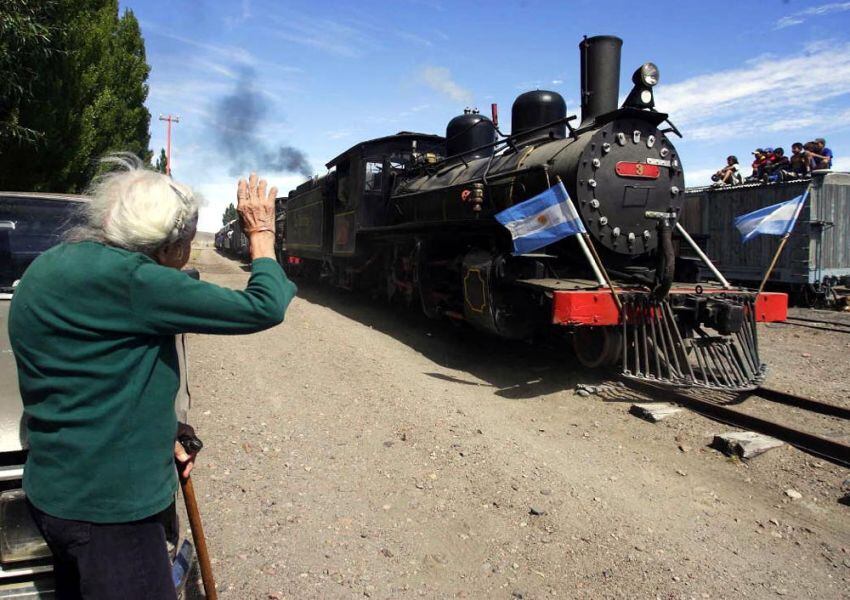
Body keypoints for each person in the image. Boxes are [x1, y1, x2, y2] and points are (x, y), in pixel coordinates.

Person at [9, 155, 297, 599]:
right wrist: (260, 234)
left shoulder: (49, 266)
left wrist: (161, 430)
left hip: (53, 495)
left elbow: (90, 377)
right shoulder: (137, 282)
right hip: (112, 513)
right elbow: (265, 305)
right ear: (167, 248)